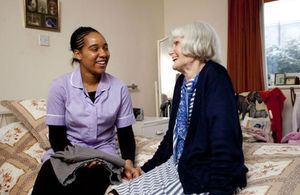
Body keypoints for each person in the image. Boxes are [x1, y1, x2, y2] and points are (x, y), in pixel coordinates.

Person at [110, 22, 248, 195]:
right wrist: (146, 169)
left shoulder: (215, 76)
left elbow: (223, 137)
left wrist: (219, 189)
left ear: (195, 43)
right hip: (178, 163)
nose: (170, 51)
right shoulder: (181, 82)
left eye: (176, 43)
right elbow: (172, 137)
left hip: (203, 171)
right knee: (114, 193)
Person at [32, 26, 140, 195]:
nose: (103, 53)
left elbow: (126, 134)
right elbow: (57, 137)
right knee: (49, 171)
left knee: (92, 177)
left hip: (104, 152)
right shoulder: (60, 86)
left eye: (105, 47)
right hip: (69, 150)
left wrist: (128, 163)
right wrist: (82, 158)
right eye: (94, 49)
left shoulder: (119, 88)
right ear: (77, 53)